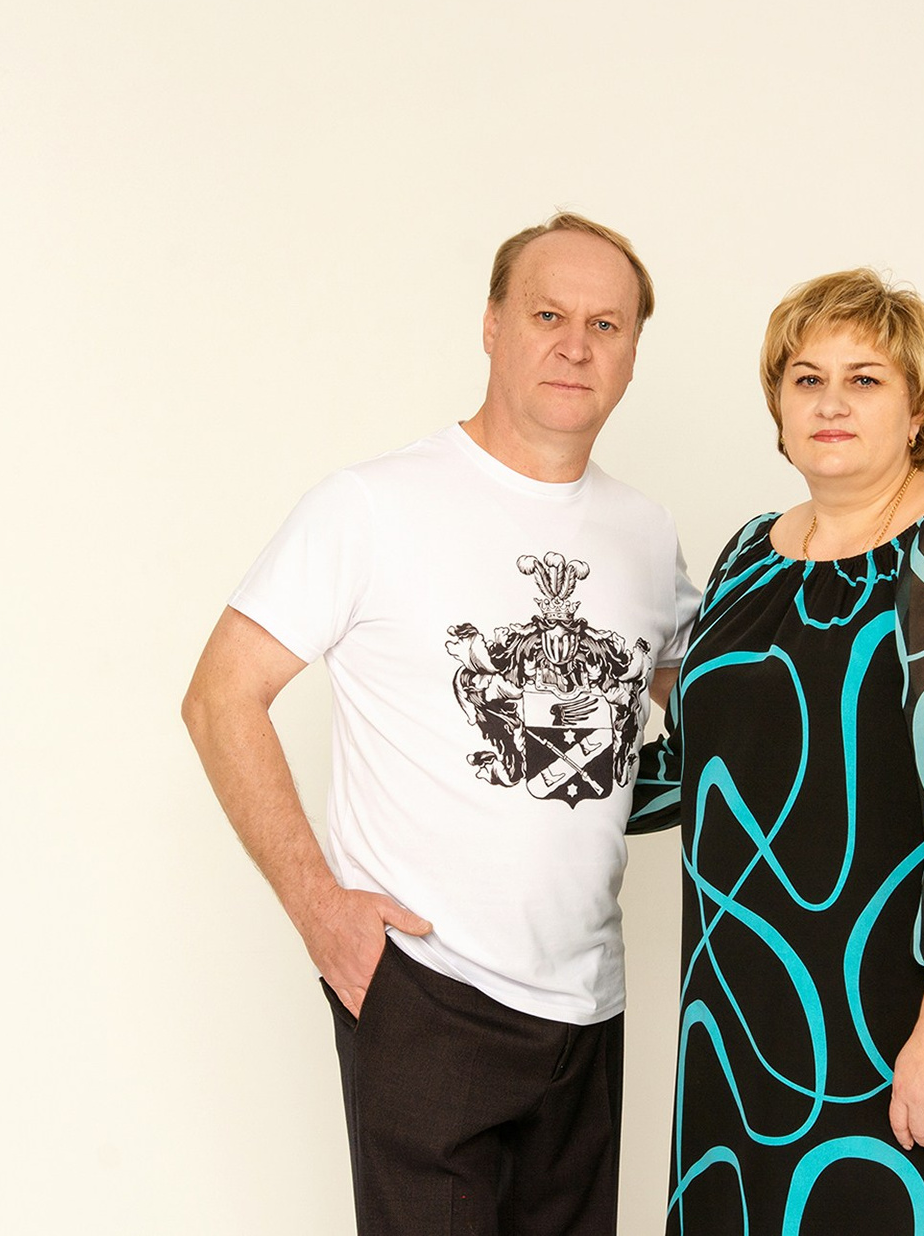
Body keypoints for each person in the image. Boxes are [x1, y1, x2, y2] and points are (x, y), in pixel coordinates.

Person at [182, 212, 698, 1235]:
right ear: (492, 325)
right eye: (548, 315)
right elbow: (220, 696)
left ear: (634, 354)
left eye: (606, 324)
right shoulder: (372, 505)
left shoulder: (645, 535)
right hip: (427, 989)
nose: (576, 345)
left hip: (588, 1007)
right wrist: (318, 908)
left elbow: (716, 714)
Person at [629, 269, 924, 1234]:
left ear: (918, 409)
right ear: (778, 408)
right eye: (807, 379)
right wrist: (517, 789)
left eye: (865, 380)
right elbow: (696, 766)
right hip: (738, 1017)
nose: (831, 403)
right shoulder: (750, 553)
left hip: (894, 1016)